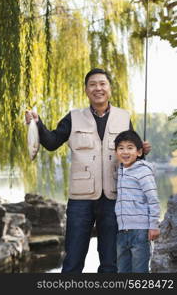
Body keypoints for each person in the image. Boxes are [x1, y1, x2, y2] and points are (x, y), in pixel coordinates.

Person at [25, 68, 151, 273]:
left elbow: (131, 157)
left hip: (114, 199)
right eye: (92, 84)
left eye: (102, 83)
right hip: (80, 200)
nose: (98, 88)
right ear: (86, 90)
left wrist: (141, 151)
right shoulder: (73, 117)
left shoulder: (123, 117)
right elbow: (51, 142)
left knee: (112, 262)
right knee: (73, 260)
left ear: (109, 88)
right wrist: (37, 124)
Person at [114, 130, 160, 273]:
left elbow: (153, 200)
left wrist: (153, 225)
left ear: (139, 152)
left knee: (140, 270)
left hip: (140, 231)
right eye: (121, 148)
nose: (125, 152)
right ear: (116, 153)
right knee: (122, 270)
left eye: (130, 147)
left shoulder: (143, 171)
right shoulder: (121, 170)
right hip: (122, 231)